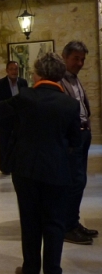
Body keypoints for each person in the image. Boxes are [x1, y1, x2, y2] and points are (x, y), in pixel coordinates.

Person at [0, 52, 80, 274]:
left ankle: (31, 268)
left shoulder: (27, 97)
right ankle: (53, 272)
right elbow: (75, 142)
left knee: (30, 218)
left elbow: (3, 108)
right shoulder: (70, 105)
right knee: (55, 220)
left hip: (26, 169)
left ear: (38, 74)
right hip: (57, 171)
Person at [60, 41, 97, 244]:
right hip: (72, 138)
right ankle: (68, 226)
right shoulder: (59, 82)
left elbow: (82, 106)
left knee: (80, 182)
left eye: (82, 59)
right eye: (76, 58)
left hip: (83, 134)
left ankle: (73, 222)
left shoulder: (75, 80)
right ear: (65, 57)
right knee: (75, 182)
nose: (80, 63)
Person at [0, 61, 28, 173]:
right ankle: (5, 167)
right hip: (4, 121)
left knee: (20, 144)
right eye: (11, 69)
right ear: (7, 71)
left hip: (19, 121)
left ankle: (19, 165)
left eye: (15, 69)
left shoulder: (23, 83)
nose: (13, 71)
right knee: (4, 144)